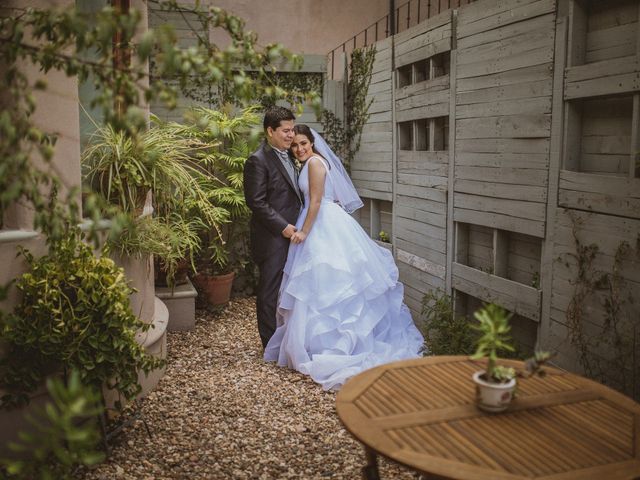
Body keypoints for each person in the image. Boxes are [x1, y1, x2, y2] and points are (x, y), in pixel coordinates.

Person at [264, 124, 424, 390]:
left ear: (313, 143)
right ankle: (316, 344)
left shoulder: (315, 163)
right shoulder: (310, 163)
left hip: (320, 223)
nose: (299, 148)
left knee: (329, 283)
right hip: (321, 219)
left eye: (304, 143)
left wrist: (304, 231)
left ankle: (333, 347)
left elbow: (315, 202)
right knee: (318, 284)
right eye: (295, 145)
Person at [244, 106, 303, 349]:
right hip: (272, 238)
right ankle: (270, 345)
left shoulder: (291, 155)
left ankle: (287, 337)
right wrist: (283, 227)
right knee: (269, 291)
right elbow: (256, 202)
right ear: (270, 131)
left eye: (292, 130)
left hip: (295, 234)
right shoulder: (257, 161)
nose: (291, 135)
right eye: (286, 131)